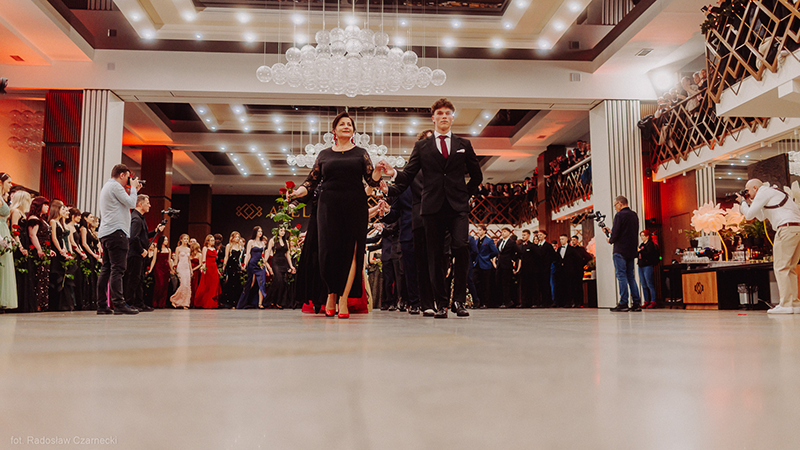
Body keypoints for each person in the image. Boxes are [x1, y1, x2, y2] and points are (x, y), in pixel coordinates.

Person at [380, 98, 483, 318]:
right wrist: (393, 173)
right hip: (431, 207)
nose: (444, 116)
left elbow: (477, 175)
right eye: (440, 113)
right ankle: (441, 304)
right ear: (433, 118)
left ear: (452, 117)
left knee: (461, 247)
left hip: (457, 207)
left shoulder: (463, 144)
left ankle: (459, 300)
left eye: (448, 113)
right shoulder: (422, 146)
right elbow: (409, 175)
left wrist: (465, 195)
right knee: (435, 256)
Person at [288, 111, 384, 318]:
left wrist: (377, 170)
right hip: (328, 206)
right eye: (342, 124)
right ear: (334, 130)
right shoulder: (324, 154)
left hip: (355, 205)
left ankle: (343, 298)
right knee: (327, 252)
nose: (346, 126)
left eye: (349, 124)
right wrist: (297, 192)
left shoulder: (361, 153)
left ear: (353, 131)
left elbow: (372, 181)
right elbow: (310, 182)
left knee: (352, 252)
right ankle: (331, 294)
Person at [738, 179, 800, 314]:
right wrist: (749, 202)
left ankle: (785, 304)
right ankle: (794, 304)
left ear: (755, 188)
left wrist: (743, 203)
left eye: (748, 191)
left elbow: (749, 215)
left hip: (785, 229)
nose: (747, 194)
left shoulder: (763, 192)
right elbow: (760, 217)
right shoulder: (773, 192)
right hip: (796, 229)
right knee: (790, 268)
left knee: (781, 267)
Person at [97, 164, 141, 315]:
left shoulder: (108, 186)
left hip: (106, 232)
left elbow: (125, 203)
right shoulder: (116, 186)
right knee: (118, 269)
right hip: (117, 232)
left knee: (106, 268)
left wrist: (134, 190)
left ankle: (102, 305)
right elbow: (131, 203)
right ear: (122, 175)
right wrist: (133, 189)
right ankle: (119, 304)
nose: (129, 180)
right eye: (128, 177)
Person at [124, 194, 164, 312]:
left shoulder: (140, 217)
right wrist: (141, 250)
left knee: (139, 279)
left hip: (138, 254)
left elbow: (143, 236)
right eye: (147, 203)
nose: (149, 205)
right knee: (133, 279)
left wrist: (156, 231)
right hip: (135, 254)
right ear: (140, 204)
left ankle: (139, 303)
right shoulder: (136, 219)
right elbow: (133, 237)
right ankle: (129, 303)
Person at [604, 196, 641, 312]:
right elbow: (628, 232)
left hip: (620, 250)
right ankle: (636, 303)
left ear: (620, 203)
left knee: (621, 276)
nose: (615, 208)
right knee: (631, 276)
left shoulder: (619, 215)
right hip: (631, 250)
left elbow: (616, 235)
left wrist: (610, 239)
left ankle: (623, 302)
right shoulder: (634, 215)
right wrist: (612, 231)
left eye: (615, 205)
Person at [48, 200, 75, 311]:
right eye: (62, 209)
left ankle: (62, 303)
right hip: (56, 249)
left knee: (63, 275)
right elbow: (54, 238)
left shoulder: (61, 223)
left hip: (61, 249)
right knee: (56, 275)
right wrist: (60, 250)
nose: (64, 211)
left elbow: (63, 238)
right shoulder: (53, 221)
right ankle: (54, 304)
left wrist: (65, 251)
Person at [9, 190, 33, 312]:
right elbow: (14, 230)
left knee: (25, 270)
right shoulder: (16, 212)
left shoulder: (22, 213)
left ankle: (23, 301)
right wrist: (20, 246)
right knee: (20, 270)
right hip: (20, 241)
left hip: (25, 240)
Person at [237, 226, 270, 309]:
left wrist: (265, 267)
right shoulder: (251, 242)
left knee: (262, 283)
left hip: (260, 265)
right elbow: (248, 254)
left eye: (261, 231)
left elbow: (263, 256)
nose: (260, 233)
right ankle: (244, 302)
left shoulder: (262, 243)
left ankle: (260, 303)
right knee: (249, 283)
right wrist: (245, 264)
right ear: (255, 232)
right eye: (258, 231)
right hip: (252, 264)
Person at [263, 227, 296, 309]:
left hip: (283, 262)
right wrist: (264, 262)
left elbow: (287, 254)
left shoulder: (286, 242)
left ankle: (276, 301)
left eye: (284, 230)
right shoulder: (273, 240)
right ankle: (271, 300)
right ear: (277, 231)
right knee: (279, 279)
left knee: (281, 282)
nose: (283, 232)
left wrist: (291, 266)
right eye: (281, 230)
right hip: (276, 262)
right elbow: (268, 251)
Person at [0, 173, 17, 311]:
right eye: (8, 182)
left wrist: (9, 236)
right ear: (1, 183)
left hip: (4, 230)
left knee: (4, 266)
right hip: (0, 231)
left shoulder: (2, 198)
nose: (10, 185)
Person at [79, 212, 101, 311]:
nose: (92, 219)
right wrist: (92, 254)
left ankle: (93, 301)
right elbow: (84, 243)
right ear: (85, 218)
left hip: (93, 254)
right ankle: (87, 301)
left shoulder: (89, 229)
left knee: (93, 277)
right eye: (90, 217)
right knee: (88, 278)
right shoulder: (83, 229)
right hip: (89, 254)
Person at [473, 224, 498, 309]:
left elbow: (495, 251)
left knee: (485, 284)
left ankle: (485, 302)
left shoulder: (489, 241)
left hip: (485, 264)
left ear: (484, 231)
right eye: (478, 230)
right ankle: (478, 301)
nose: (478, 232)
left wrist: (488, 257)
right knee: (476, 282)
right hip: (477, 263)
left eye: (480, 230)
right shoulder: (476, 240)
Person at [495, 227, 520, 308]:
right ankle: (500, 301)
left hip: (507, 265)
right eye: (502, 232)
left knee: (506, 283)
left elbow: (519, 252)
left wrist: (512, 259)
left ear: (509, 233)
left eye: (505, 232)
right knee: (498, 283)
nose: (503, 233)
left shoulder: (511, 243)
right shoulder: (500, 242)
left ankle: (508, 301)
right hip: (499, 264)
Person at [194, 234, 221, 309]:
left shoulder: (214, 249)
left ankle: (213, 302)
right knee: (207, 285)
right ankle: (206, 302)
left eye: (213, 240)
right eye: (211, 240)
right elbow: (203, 259)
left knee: (214, 285)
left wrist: (217, 270)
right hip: (208, 268)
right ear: (207, 241)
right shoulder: (205, 248)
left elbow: (215, 261)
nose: (213, 242)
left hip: (214, 268)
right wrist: (204, 268)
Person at [220, 231, 244, 309]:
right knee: (231, 282)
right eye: (236, 237)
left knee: (237, 283)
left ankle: (236, 302)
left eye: (238, 237)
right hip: (230, 265)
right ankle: (229, 302)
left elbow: (239, 258)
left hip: (237, 266)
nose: (237, 238)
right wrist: (224, 266)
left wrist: (241, 266)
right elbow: (226, 256)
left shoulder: (239, 246)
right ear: (232, 237)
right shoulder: (229, 245)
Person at [148, 235, 172, 308]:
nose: (166, 241)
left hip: (166, 268)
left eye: (167, 240)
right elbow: (154, 260)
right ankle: (155, 302)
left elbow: (169, 260)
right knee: (159, 284)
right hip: (158, 268)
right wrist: (150, 269)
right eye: (165, 240)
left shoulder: (168, 250)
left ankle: (162, 303)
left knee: (165, 285)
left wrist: (172, 269)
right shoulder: (157, 249)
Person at [533, 230, 556, 307]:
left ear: (545, 236)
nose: (539, 236)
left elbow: (553, 256)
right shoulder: (536, 245)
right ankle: (540, 301)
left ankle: (547, 302)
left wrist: (548, 264)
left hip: (545, 268)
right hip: (537, 269)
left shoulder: (548, 246)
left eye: (541, 235)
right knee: (539, 285)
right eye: (538, 235)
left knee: (545, 285)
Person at [517, 229, 538, 308]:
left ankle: (534, 302)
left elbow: (537, 257)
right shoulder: (521, 246)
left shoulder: (532, 246)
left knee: (532, 286)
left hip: (531, 270)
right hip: (523, 270)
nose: (523, 236)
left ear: (529, 235)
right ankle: (524, 302)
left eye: (525, 235)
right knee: (523, 287)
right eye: (522, 235)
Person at [170, 234, 192, 309]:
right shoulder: (178, 248)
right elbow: (176, 259)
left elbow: (189, 261)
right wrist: (174, 268)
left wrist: (191, 270)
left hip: (187, 268)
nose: (186, 240)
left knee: (187, 285)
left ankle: (185, 303)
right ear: (181, 240)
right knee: (183, 284)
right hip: (181, 267)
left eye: (187, 239)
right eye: (185, 239)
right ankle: (174, 299)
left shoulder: (188, 249)